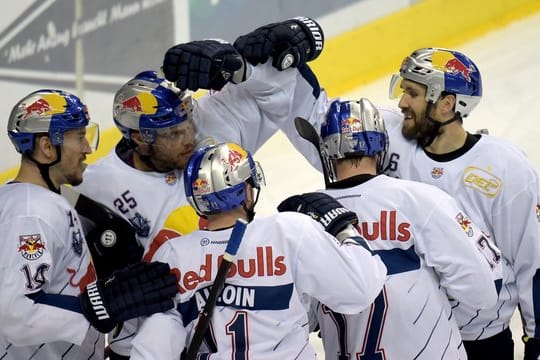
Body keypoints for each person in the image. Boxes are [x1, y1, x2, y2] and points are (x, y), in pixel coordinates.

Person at [74, 17, 327, 358]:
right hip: (160, 342)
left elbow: (280, 94)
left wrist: (240, 65)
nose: (189, 137)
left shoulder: (214, 123)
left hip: (245, 325)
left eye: (188, 122)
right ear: (139, 138)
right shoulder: (96, 188)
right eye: (174, 133)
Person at [278, 98, 500, 359]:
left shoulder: (300, 221)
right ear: (381, 145)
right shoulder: (422, 200)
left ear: (327, 150)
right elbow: (483, 292)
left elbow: (294, 317)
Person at [130, 142, 388, 359]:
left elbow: (152, 350)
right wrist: (343, 228)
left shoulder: (173, 255)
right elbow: (361, 289)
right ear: (246, 192)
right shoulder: (287, 231)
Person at [384, 47, 540, 360]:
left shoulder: (505, 168)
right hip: (410, 336)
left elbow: (532, 260)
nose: (401, 103)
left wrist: (537, 339)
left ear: (446, 104)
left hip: (480, 340)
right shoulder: (392, 144)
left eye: (412, 93)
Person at [0, 89, 179, 359]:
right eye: (80, 137)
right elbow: (15, 313)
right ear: (47, 147)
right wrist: (98, 307)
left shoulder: (41, 201)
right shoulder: (30, 214)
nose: (88, 148)